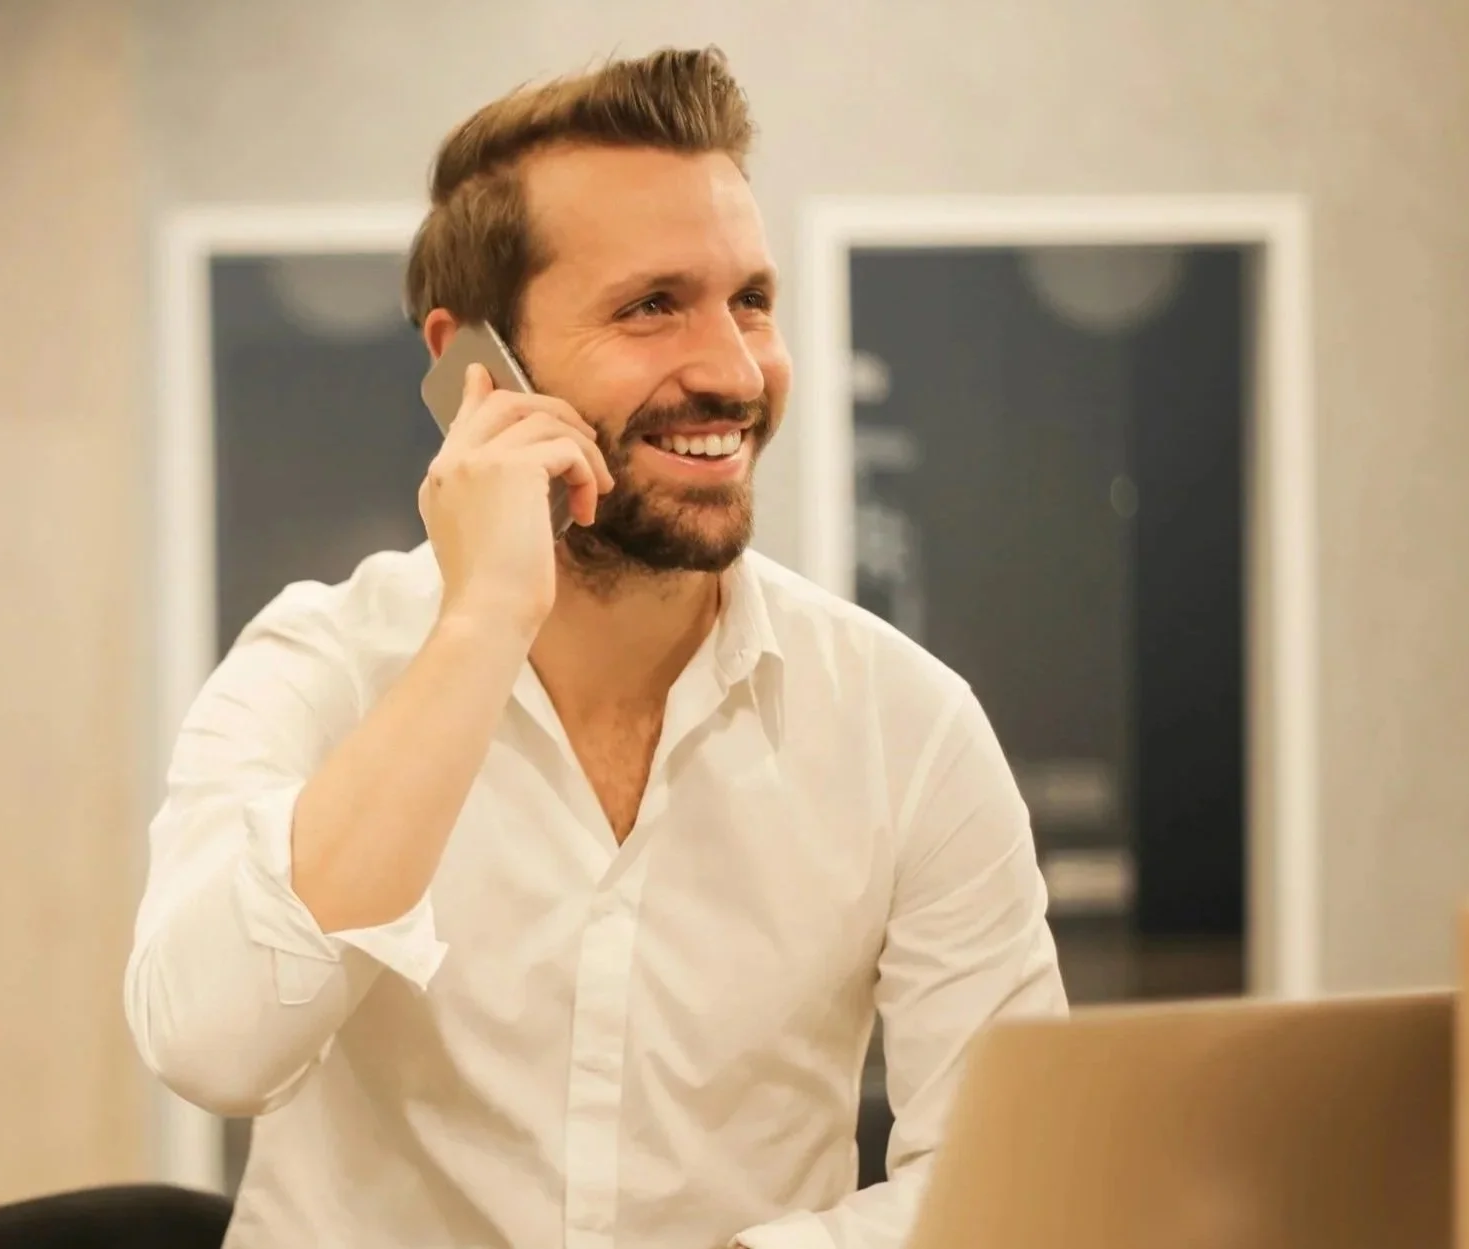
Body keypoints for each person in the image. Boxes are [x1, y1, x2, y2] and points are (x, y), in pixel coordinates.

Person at [125, 45, 1067, 1249]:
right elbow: (213, 1049)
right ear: (473, 368)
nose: (734, 370)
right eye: (650, 306)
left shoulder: (907, 725)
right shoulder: (315, 666)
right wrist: (478, 628)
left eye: (753, 301)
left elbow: (1004, 1188)